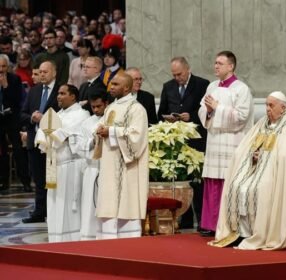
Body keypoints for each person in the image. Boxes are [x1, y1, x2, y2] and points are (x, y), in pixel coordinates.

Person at [209, 92, 286, 250]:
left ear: (283, 107)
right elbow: (247, 145)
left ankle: (263, 234)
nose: (267, 109)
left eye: (271, 105)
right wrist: (254, 154)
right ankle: (241, 233)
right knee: (237, 185)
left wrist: (266, 157)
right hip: (257, 168)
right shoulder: (263, 123)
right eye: (266, 105)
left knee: (258, 189)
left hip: (278, 173)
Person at [197, 50, 254, 236]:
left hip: (232, 142)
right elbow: (201, 111)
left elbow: (242, 117)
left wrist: (217, 108)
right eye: (215, 63)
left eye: (220, 63)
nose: (216, 66)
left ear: (231, 66)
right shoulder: (212, 86)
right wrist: (208, 111)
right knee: (213, 181)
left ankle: (228, 224)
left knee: (228, 182)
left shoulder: (241, 89)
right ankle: (211, 224)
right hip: (214, 141)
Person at [157, 56, 210, 230]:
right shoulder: (168, 86)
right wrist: (169, 118)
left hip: (197, 140)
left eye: (179, 74)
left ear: (188, 69)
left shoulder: (203, 84)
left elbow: (207, 112)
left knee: (197, 182)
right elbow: (161, 112)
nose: (177, 78)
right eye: (174, 75)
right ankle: (184, 219)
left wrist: (191, 116)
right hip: (177, 142)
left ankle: (202, 220)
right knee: (181, 181)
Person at [94, 72, 148, 239]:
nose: (111, 87)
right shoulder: (110, 108)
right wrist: (98, 131)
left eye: (116, 84)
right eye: (111, 84)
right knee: (109, 202)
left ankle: (128, 239)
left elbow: (137, 137)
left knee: (127, 201)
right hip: (109, 164)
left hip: (127, 166)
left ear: (126, 88)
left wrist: (110, 131)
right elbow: (100, 126)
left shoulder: (137, 109)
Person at [35, 84, 89, 242]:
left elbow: (65, 132)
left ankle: (72, 239)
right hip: (54, 166)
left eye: (62, 93)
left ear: (73, 96)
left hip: (71, 166)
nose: (58, 96)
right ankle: (56, 238)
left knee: (69, 205)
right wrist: (46, 133)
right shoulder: (58, 114)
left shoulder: (81, 114)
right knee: (55, 203)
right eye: (58, 93)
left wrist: (50, 133)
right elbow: (44, 129)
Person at [21, 61, 60, 223]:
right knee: (38, 179)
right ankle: (39, 212)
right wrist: (32, 117)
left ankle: (54, 211)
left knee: (52, 179)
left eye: (45, 72)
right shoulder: (34, 91)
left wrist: (46, 119)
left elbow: (64, 115)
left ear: (54, 73)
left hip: (53, 144)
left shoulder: (61, 90)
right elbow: (22, 113)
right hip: (34, 141)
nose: (42, 74)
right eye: (40, 72)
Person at [78, 92, 108, 240]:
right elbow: (79, 145)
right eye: (93, 107)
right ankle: (89, 236)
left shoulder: (111, 121)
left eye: (99, 106)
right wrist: (92, 140)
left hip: (107, 169)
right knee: (90, 205)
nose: (95, 110)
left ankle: (105, 235)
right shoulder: (87, 122)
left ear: (106, 104)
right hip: (92, 168)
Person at [0, 54, 31, 192]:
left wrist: (6, 87)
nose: (1, 69)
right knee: (2, 152)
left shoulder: (15, 79)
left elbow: (16, 101)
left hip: (12, 119)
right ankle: (4, 182)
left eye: (3, 66)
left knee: (18, 150)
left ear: (8, 67)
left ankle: (25, 182)